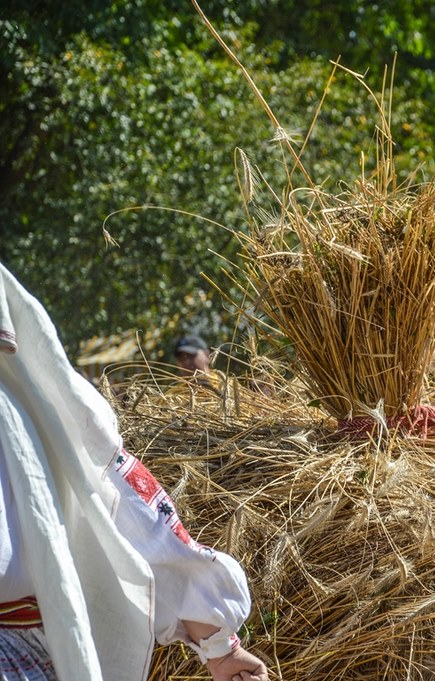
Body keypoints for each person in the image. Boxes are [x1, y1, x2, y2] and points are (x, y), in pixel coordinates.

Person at [0, 263, 268, 681]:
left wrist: (219, 647)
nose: (184, 364)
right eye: (180, 358)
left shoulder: (20, 393)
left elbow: (103, 483)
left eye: (190, 356)